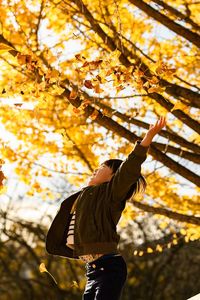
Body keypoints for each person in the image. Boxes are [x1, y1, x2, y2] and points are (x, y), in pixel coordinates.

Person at [46, 116, 167, 300]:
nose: (96, 169)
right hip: (92, 271)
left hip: (110, 268)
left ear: (113, 177)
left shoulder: (110, 194)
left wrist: (147, 139)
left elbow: (129, 170)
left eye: (103, 166)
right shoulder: (79, 198)